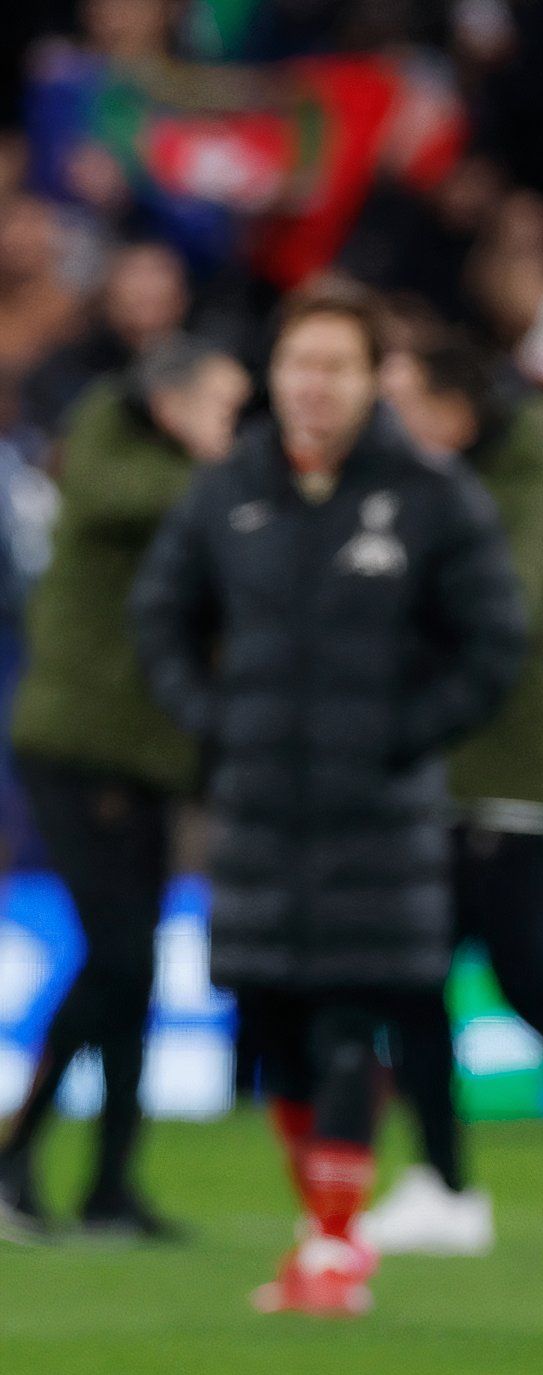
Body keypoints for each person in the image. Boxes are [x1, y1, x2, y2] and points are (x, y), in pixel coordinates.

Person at [131, 283, 528, 1314]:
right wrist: (212, 718)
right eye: (299, 365)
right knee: (274, 1027)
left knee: (353, 1019)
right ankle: (321, 1225)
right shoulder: (227, 491)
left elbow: (495, 643)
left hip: (378, 814)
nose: (314, 387)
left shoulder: (431, 494)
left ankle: (338, 1245)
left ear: (371, 380)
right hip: (258, 808)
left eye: (336, 367)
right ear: (275, 376)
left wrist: (404, 734)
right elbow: (159, 615)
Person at [355, 327, 543, 1260]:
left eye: (404, 398)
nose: (391, 419)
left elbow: (509, 610)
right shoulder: (453, 481)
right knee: (414, 977)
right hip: (448, 769)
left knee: (526, 980)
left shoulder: (522, 486)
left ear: (455, 404)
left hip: (513, 771)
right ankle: (445, 1183)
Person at [0, 338, 249, 1243]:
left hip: (142, 755)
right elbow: (120, 495)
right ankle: (17, 1161)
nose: (235, 431)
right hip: (81, 746)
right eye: (226, 408)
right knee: (120, 958)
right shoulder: (111, 436)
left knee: (129, 966)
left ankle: (108, 1183)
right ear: (176, 402)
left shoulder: (170, 472)